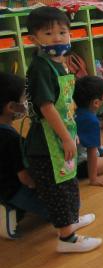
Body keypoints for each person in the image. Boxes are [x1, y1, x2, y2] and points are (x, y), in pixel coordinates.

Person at [23, 6, 102, 253]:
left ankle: (71, 219)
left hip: (62, 135)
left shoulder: (59, 63)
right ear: (34, 39)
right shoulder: (41, 67)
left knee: (69, 181)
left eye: (62, 32)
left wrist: (70, 134)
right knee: (57, 189)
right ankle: (66, 239)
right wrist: (66, 137)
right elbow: (46, 107)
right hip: (47, 142)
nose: (57, 38)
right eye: (48, 33)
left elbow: (64, 103)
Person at [0, 72, 49, 239]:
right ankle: (10, 209)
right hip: (11, 190)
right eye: (24, 100)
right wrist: (42, 187)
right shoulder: (12, 139)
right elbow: (25, 178)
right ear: (11, 107)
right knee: (62, 208)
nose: (27, 103)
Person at [73, 76, 103, 188]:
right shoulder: (92, 121)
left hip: (75, 155)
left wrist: (101, 152)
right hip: (78, 164)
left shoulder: (77, 112)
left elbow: (88, 142)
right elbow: (91, 151)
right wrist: (94, 179)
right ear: (96, 103)